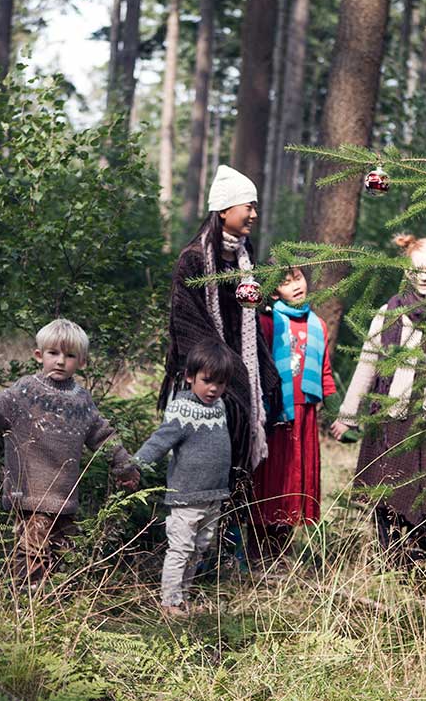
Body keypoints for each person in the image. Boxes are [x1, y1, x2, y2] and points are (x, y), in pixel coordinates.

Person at [0, 318, 139, 584]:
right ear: (39, 355)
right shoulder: (27, 390)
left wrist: (124, 465)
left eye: (70, 355)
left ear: (82, 362)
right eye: (53, 353)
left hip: (63, 498)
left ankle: (57, 608)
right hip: (29, 493)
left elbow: (103, 434)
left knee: (66, 557)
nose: (60, 361)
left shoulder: (81, 400)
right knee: (33, 557)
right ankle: (28, 609)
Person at [159, 165, 281, 566]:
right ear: (225, 208)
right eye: (249, 206)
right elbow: (187, 324)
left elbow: (250, 328)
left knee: (236, 470)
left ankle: (223, 551)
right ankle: (188, 558)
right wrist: (224, 373)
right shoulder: (194, 260)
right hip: (206, 386)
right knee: (201, 471)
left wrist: (265, 374)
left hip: (238, 386)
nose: (254, 215)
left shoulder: (244, 261)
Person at [330, 228, 426, 565]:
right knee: (387, 495)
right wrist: (348, 415)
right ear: (407, 271)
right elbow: (367, 365)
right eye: (418, 270)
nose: (425, 277)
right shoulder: (389, 312)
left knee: (421, 500)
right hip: (392, 419)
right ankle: (389, 563)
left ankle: (414, 568)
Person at [128, 339, 234, 616]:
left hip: (213, 494)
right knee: (181, 549)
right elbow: (159, 442)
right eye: (207, 381)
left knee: (199, 549)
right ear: (190, 377)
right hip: (186, 495)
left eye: (220, 383)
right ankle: (169, 602)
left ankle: (182, 596)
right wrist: (134, 465)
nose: (213, 389)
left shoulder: (220, 406)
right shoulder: (181, 409)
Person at [252, 266, 337, 562]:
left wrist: (340, 415)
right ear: (275, 293)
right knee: (270, 477)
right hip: (275, 414)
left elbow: (325, 373)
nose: (295, 286)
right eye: (285, 283)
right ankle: (256, 551)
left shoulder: (318, 325)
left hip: (304, 416)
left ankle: (280, 550)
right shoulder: (266, 322)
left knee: (294, 479)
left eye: (298, 278)